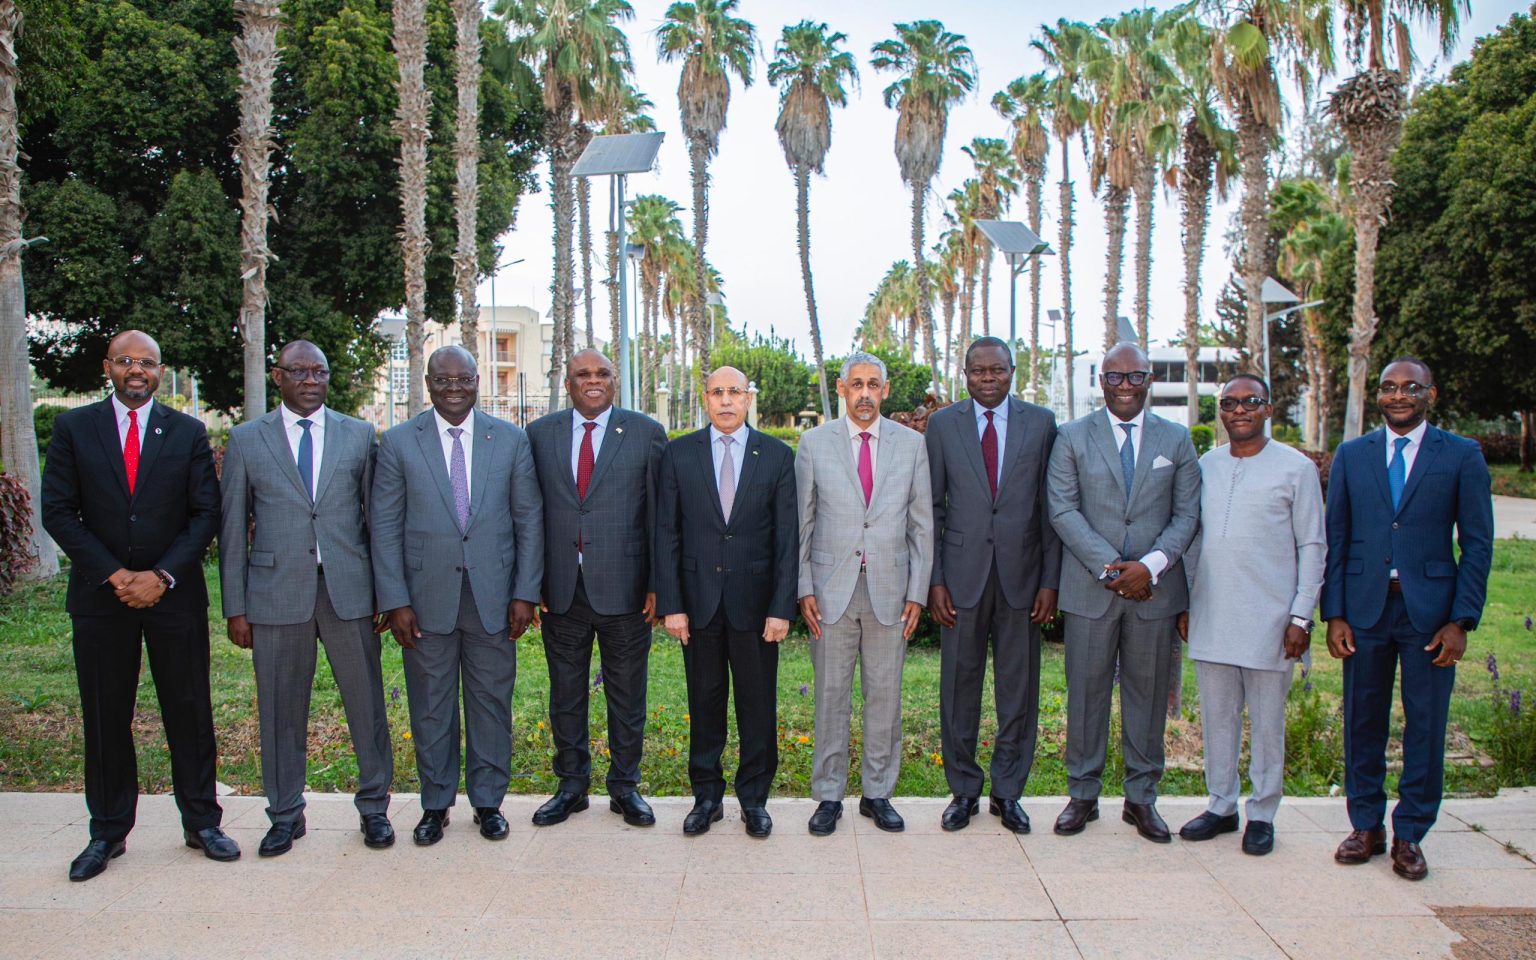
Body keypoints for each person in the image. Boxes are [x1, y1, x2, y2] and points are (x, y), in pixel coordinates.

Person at [41, 329, 239, 881]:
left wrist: (161, 576)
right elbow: (58, 511)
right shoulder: (74, 428)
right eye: (126, 361)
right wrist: (114, 575)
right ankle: (106, 831)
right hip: (101, 599)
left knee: (190, 711)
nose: (136, 370)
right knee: (105, 715)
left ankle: (202, 822)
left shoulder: (186, 431)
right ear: (108, 367)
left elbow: (205, 514)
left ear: (159, 370)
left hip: (172, 597)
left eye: (146, 362)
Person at [219, 340, 395, 857]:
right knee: (279, 709)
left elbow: (377, 521)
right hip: (275, 595)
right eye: (299, 371)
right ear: (278, 377)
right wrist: (235, 606)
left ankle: (375, 809)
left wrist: (387, 593)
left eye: (319, 370)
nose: (311, 380)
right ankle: (284, 814)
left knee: (366, 703)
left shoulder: (360, 435)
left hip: (350, 592)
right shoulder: (248, 440)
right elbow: (231, 531)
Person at [1323, 357, 1493, 880]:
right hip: (1366, 610)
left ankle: (1411, 834)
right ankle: (1366, 825)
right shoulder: (1353, 456)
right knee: (1362, 720)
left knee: (1425, 726)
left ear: (1430, 394)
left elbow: (1479, 543)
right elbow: (1337, 538)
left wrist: (1461, 621)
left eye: (1409, 388)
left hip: (1430, 615)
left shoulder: (1461, 455)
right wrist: (1335, 613)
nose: (1398, 396)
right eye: (1388, 388)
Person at [370, 345, 543, 845]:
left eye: (462, 380)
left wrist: (526, 593)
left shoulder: (510, 440)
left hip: (494, 596)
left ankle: (488, 803)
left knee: (491, 703)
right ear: (427, 384)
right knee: (430, 705)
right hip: (424, 602)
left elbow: (528, 519)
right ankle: (435, 804)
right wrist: (394, 600)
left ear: (476, 381)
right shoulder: (400, 442)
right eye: (442, 381)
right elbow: (384, 527)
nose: (453, 389)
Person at [1047, 341, 1200, 843]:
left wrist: (1149, 567)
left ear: (1150, 379)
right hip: (1092, 590)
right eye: (1115, 377)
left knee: (1148, 697)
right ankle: (1083, 796)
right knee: (1086, 695)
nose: (1125, 386)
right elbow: (1063, 511)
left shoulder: (1176, 440)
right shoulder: (1071, 436)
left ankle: (1141, 800)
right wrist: (1112, 569)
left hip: (1154, 593)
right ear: (1102, 383)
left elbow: (1186, 515)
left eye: (1135, 376)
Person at [1175, 374, 1324, 856]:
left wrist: (1301, 617)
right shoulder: (1206, 466)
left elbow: (1313, 545)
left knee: (1266, 722)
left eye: (1249, 402)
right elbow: (1191, 540)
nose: (1239, 410)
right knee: (1217, 718)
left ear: (1268, 409)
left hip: (1271, 621)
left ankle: (1263, 812)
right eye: (1229, 403)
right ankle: (1221, 805)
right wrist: (1186, 602)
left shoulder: (1295, 469)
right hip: (1213, 614)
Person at [525, 350, 667, 828]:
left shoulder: (646, 433)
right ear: (568, 383)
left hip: (627, 591)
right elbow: (529, 515)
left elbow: (659, 517)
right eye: (583, 374)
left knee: (627, 695)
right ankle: (571, 786)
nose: (593, 381)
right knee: (566, 693)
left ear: (615, 380)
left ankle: (625, 787)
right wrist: (531, 583)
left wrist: (656, 584)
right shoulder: (539, 435)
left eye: (602, 373)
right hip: (561, 589)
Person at [655, 366, 798, 838]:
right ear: (705, 398)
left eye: (734, 392)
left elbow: (786, 540)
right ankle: (707, 798)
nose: (725, 401)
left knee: (758, 707)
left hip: (756, 609)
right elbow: (667, 534)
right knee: (705, 703)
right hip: (697, 607)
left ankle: (754, 800)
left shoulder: (777, 456)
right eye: (717, 392)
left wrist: (782, 608)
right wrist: (672, 605)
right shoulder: (679, 455)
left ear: (749, 398)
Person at [925, 337, 1061, 833]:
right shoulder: (942, 426)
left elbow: (1051, 507)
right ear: (964, 374)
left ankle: (1008, 791)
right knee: (958, 689)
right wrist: (934, 580)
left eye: (997, 370)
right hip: (959, 581)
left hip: (1023, 580)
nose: (988, 378)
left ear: (1012, 372)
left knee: (1018, 690)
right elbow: (932, 509)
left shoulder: (1041, 424)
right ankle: (963, 791)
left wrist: (1050, 581)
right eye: (978, 371)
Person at [796, 353, 933, 836]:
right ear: (841, 388)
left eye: (873, 384)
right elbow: (803, 523)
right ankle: (828, 795)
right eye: (856, 384)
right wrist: (803, 587)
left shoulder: (913, 446)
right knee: (831, 696)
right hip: (830, 592)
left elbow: (921, 526)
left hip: (890, 593)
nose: (864, 393)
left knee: (885, 696)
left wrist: (917, 592)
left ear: (886, 390)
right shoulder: (813, 444)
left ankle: (877, 793)